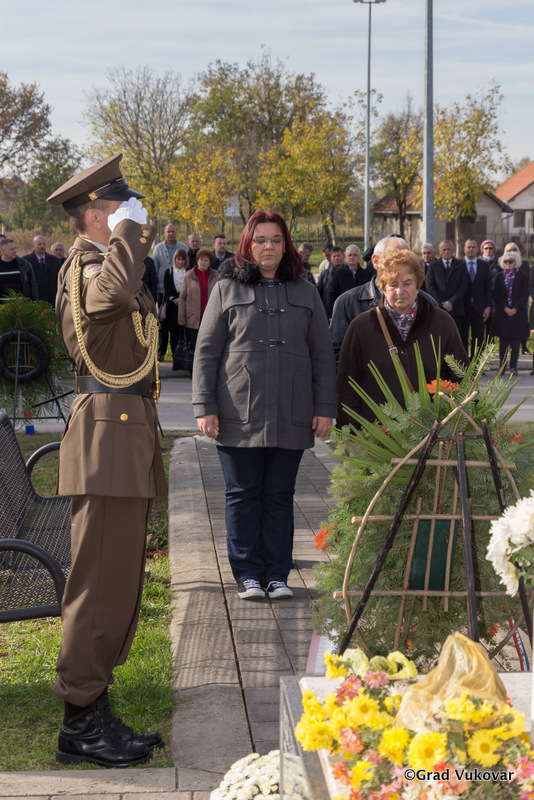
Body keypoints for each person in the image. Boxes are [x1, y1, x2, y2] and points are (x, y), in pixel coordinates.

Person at [46, 153, 167, 768]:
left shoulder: (106, 260)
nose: (134, 216)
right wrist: (130, 234)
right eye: (122, 207)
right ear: (96, 215)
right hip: (107, 437)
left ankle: (94, 706)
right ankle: (80, 722)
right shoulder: (90, 265)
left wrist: (128, 237)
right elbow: (112, 297)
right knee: (98, 585)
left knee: (116, 582)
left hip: (122, 434)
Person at [192, 210, 337, 601]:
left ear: (286, 245)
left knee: (279, 496)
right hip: (237, 412)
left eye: (276, 240)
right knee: (242, 494)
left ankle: (276, 575)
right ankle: (247, 575)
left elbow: (322, 354)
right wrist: (204, 405)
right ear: (247, 245)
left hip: (292, 411)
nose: (268, 247)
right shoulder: (226, 288)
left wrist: (325, 406)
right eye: (260, 240)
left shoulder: (306, 291)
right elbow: (206, 351)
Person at [337, 249, 468, 428]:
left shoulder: (442, 323)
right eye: (393, 284)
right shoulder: (361, 327)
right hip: (377, 433)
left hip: (432, 432)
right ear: (383, 288)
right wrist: (350, 431)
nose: (400, 291)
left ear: (417, 284)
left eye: (407, 283)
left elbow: (461, 378)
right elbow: (347, 386)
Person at [330, 235, 437, 364]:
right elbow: (338, 354)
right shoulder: (347, 303)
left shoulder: (428, 303)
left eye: (407, 258)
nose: (402, 263)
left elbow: (438, 351)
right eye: (393, 257)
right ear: (375, 261)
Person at [152, 223, 188, 360]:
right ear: (164, 233)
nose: (171, 234)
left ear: (176, 233)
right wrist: (156, 291)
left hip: (180, 293)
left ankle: (176, 354)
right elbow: (155, 270)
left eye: (173, 231)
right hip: (163, 293)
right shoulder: (158, 248)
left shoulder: (183, 247)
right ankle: (161, 352)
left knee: (176, 325)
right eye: (168, 232)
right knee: (163, 323)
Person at [491, 250, 529, 376]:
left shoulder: (522, 276)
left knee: (515, 341)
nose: (508, 264)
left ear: (515, 262)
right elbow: (495, 294)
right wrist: (505, 308)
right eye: (506, 261)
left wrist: (515, 308)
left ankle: (513, 366)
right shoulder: (499, 276)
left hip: (518, 313)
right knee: (503, 342)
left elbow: (524, 294)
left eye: (510, 261)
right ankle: (502, 367)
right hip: (503, 313)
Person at [177, 247, 218, 353]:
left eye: (206, 260)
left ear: (209, 262)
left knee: (208, 345)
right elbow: (182, 297)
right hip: (193, 317)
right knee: (194, 346)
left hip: (210, 316)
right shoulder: (189, 275)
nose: (203, 262)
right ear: (197, 260)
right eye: (201, 260)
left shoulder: (216, 275)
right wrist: (181, 318)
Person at [424, 239, 468, 336]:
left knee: (457, 337)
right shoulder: (433, 266)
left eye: (449, 249)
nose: (447, 252)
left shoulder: (461, 265)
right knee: (440, 337)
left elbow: (463, 285)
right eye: (444, 249)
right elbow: (430, 286)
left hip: (456, 309)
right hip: (439, 308)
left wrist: (452, 302)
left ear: (453, 250)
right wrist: (442, 303)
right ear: (440, 251)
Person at [461, 238, 492, 358]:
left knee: (478, 337)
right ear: (464, 249)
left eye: (473, 247)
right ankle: (463, 363)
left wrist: (488, 306)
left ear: (478, 249)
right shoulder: (458, 264)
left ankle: (476, 363)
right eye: (469, 247)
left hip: (479, 308)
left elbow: (488, 288)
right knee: (462, 336)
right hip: (462, 308)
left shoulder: (484, 265)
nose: (471, 249)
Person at [326, 244, 375, 316]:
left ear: (359, 257)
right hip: (343, 311)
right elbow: (331, 294)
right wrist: (331, 314)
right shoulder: (338, 274)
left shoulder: (367, 274)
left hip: (361, 312)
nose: (352, 257)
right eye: (350, 255)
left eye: (355, 255)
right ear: (346, 257)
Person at [503, 242, 530, 354]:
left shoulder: (524, 264)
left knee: (522, 323)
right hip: (508, 300)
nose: (512, 252)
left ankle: (524, 346)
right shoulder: (504, 263)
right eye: (509, 250)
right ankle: (510, 345)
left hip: (521, 298)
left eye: (514, 249)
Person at [23, 235, 62, 307]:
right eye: (39, 244)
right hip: (34, 301)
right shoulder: (26, 261)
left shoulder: (55, 261)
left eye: (44, 244)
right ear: (33, 245)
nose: (42, 246)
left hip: (52, 300)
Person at [164, 248, 188, 355]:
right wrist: (175, 299)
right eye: (178, 259)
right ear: (175, 259)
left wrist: (182, 300)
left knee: (184, 332)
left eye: (183, 260)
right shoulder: (169, 272)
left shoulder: (188, 272)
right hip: (172, 306)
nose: (180, 262)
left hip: (185, 305)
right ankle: (174, 356)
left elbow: (190, 288)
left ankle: (184, 357)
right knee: (173, 333)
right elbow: (167, 288)